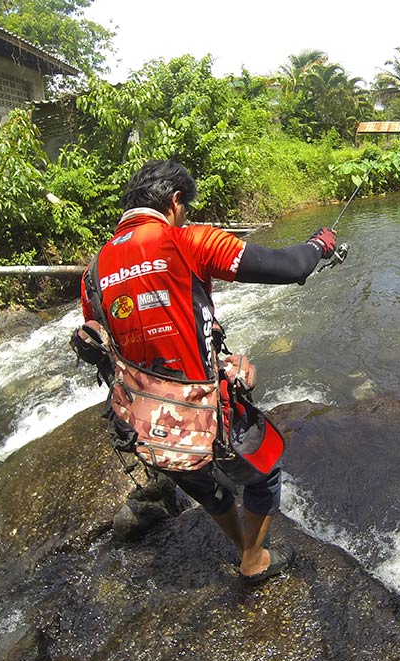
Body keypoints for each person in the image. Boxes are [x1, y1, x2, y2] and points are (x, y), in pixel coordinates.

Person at [79, 159, 336, 583]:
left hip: (144, 419)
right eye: (187, 209)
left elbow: (103, 342)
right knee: (265, 471)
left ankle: (241, 546)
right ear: (175, 202)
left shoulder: (94, 271)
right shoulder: (188, 241)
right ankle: (252, 560)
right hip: (203, 408)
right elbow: (289, 267)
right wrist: (318, 245)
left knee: (202, 484)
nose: (187, 216)